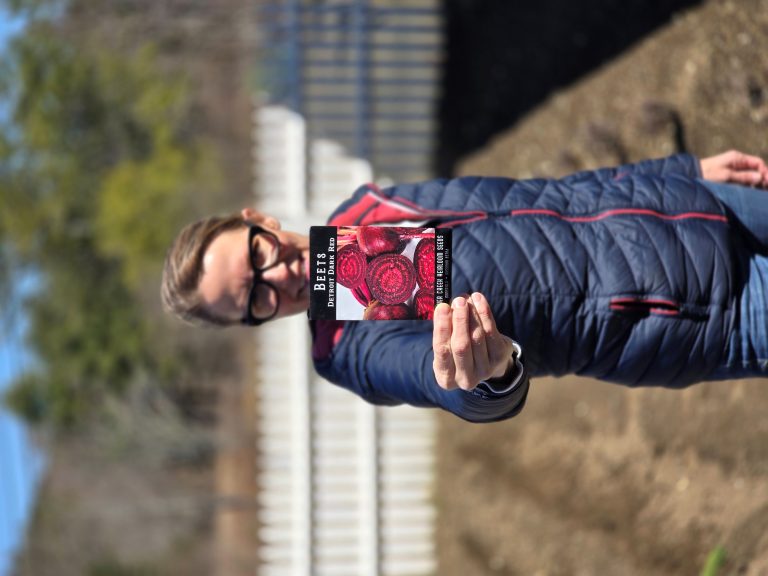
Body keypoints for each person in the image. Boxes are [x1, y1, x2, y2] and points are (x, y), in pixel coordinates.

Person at [162, 150, 768, 423]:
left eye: (258, 256)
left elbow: (549, 195)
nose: (279, 277)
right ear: (258, 322)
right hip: (700, 311)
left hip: (693, 206)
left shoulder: (368, 207)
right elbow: (437, 381)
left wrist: (675, 171)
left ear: (259, 222)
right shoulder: (344, 346)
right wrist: (484, 378)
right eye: (256, 299)